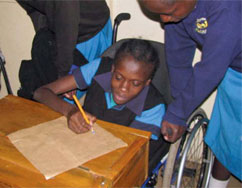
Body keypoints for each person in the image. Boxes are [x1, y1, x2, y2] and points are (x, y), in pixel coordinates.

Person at [139, 0, 242, 187]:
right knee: (226, 137)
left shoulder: (226, 6)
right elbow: (177, 57)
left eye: (169, 12)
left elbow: (211, 68)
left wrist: (178, 113)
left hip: (224, 62)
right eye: (159, 14)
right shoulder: (177, 14)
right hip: (234, 69)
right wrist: (179, 107)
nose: (164, 19)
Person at [33, 39, 170, 175]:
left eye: (135, 83)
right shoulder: (99, 68)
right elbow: (41, 93)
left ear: (147, 83)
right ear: (112, 69)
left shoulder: (153, 107)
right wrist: (70, 111)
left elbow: (127, 160)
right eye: (118, 77)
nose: (123, 88)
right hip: (88, 147)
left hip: (117, 162)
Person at [16, 0, 112, 78]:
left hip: (92, 29)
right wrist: (47, 42)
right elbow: (34, 10)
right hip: (65, 28)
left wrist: (63, 73)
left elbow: (67, 22)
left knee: (90, 86)